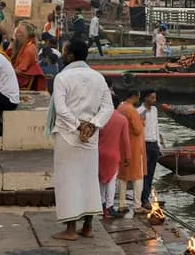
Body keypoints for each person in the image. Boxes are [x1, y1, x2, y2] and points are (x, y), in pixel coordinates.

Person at [48, 39, 115, 240]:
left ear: (70, 55)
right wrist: (93, 125)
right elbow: (108, 108)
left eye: (64, 51)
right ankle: (87, 227)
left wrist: (80, 126)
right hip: (90, 137)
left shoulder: (62, 77)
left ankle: (70, 230)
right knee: (88, 180)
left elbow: (61, 109)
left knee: (68, 180)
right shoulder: (98, 77)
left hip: (69, 135)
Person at [98, 105, 131, 219]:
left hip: (99, 153)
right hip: (113, 154)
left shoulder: (100, 117)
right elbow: (126, 140)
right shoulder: (122, 119)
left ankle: (101, 205)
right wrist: (127, 157)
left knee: (101, 179)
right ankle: (109, 207)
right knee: (111, 181)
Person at [116, 91, 147, 214]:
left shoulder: (120, 108)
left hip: (122, 145)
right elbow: (138, 130)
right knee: (137, 176)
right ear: (134, 96)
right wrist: (142, 120)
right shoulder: (132, 110)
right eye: (138, 97)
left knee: (122, 176)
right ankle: (137, 205)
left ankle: (121, 204)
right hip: (134, 146)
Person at [138, 89, 166, 208]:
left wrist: (159, 143)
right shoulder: (138, 111)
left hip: (154, 144)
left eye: (155, 98)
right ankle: (143, 199)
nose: (154, 100)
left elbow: (156, 127)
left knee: (151, 173)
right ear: (145, 98)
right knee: (143, 173)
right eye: (152, 98)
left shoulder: (154, 110)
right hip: (144, 145)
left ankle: (147, 196)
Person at [9, 24, 45, 91]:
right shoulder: (26, 46)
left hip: (21, 80)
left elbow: (20, 70)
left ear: (26, 36)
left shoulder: (29, 49)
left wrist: (6, 70)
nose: (16, 35)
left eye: (19, 32)